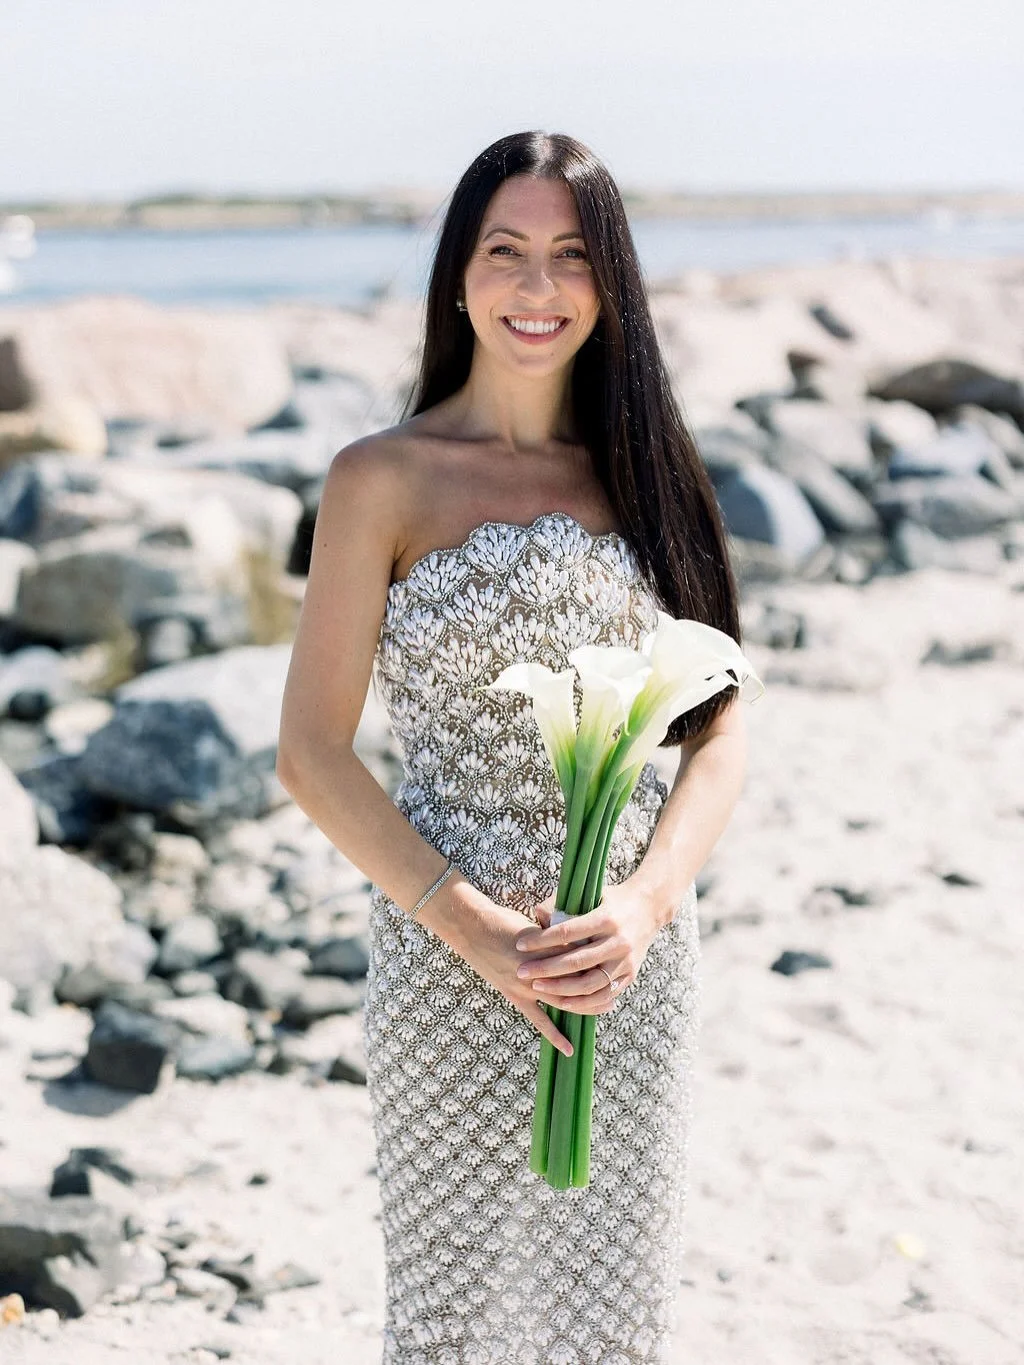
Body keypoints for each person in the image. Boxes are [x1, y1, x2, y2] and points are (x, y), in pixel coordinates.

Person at [277, 130, 750, 1364]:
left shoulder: (648, 474)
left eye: (571, 258)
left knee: (610, 1318)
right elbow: (312, 754)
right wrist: (471, 927)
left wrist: (641, 912)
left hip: (620, 964)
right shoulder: (379, 477)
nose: (536, 290)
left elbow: (720, 732)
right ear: (457, 276)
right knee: (448, 1320)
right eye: (505, 253)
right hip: (442, 953)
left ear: (611, 287)